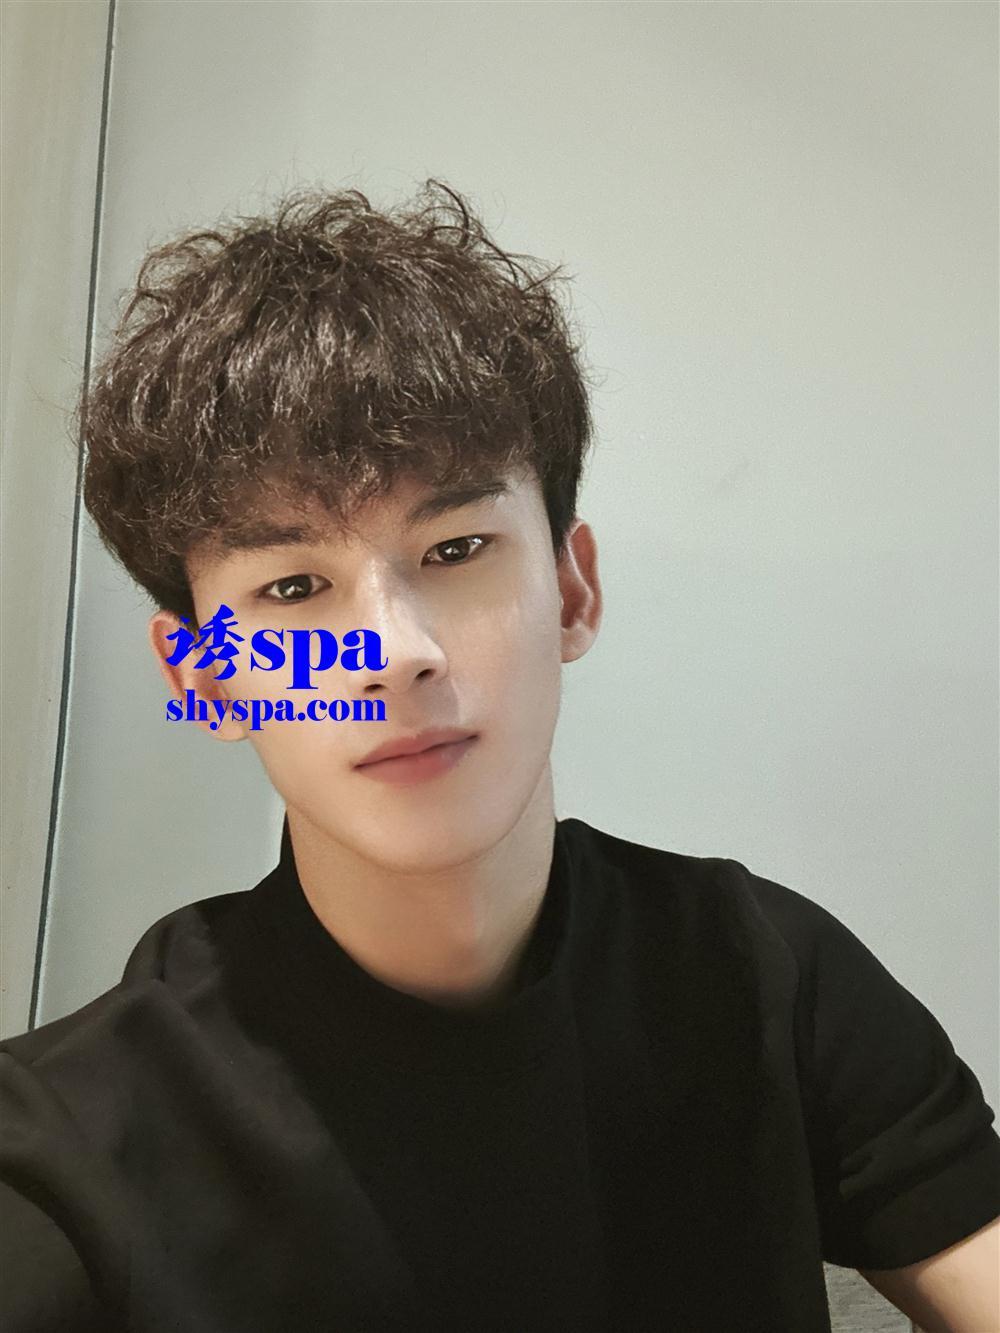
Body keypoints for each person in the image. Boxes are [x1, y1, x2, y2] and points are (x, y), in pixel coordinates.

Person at [1, 180, 997, 1333]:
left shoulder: (765, 976)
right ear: (206, 677)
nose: (396, 654)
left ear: (572, 592)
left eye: (455, 548)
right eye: (294, 586)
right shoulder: (67, 1142)